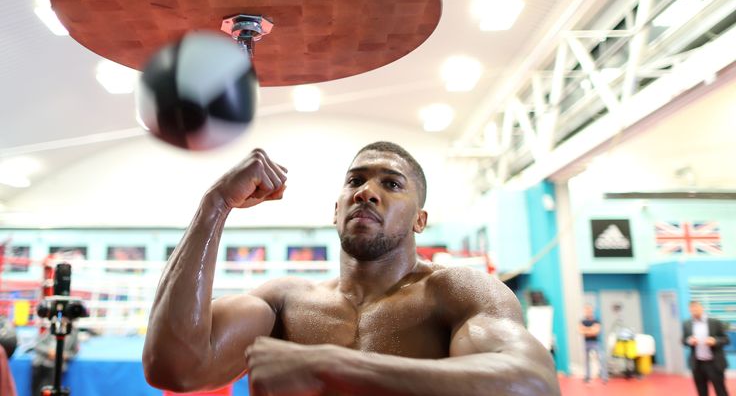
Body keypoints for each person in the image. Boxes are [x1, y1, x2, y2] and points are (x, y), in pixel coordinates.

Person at [143, 142, 561, 395]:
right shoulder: (285, 302)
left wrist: (331, 366)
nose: (366, 192)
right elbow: (174, 367)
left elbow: (531, 384)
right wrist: (214, 205)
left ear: (420, 219)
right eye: (355, 181)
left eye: (391, 184)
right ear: (336, 210)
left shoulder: (455, 292)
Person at [682, 300, 730, 396]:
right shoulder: (687, 324)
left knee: (721, 391)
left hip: (714, 364)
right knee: (701, 392)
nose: (694, 310)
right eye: (691, 308)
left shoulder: (715, 322)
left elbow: (726, 339)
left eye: (696, 307)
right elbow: (683, 340)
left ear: (702, 308)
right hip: (697, 365)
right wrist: (689, 341)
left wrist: (715, 341)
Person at [31, 326, 80, 396]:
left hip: (56, 366)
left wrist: (64, 355)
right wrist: (49, 352)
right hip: (40, 363)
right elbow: (37, 345)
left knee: (51, 391)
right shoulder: (51, 328)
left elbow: (74, 353)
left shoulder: (73, 333)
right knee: (36, 391)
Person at [578, 304, 608, 383]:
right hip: (586, 343)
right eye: (586, 310)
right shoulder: (583, 321)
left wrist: (586, 330)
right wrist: (590, 329)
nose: (588, 312)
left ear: (592, 311)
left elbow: (596, 332)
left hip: (595, 343)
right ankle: (587, 377)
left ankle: (604, 376)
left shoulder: (596, 321)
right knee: (586, 361)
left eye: (589, 310)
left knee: (601, 359)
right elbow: (581, 331)